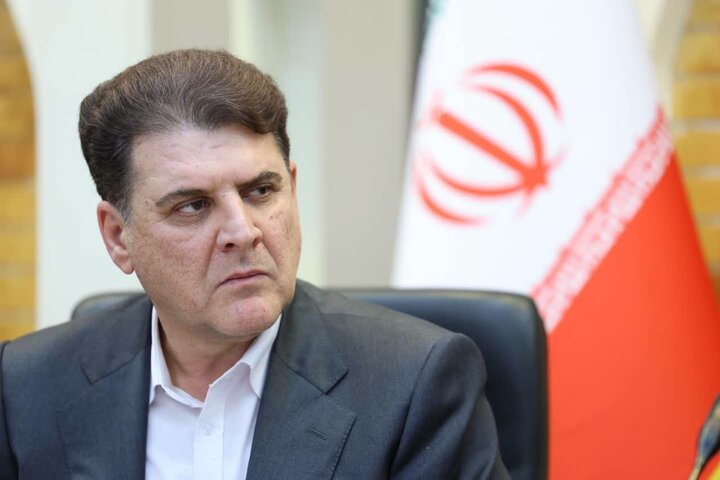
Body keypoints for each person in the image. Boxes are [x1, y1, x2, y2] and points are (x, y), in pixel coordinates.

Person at [0, 49, 508, 479]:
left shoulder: (414, 383)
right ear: (118, 237)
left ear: (293, 189)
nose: (243, 232)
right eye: (193, 206)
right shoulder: (27, 386)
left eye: (261, 191)